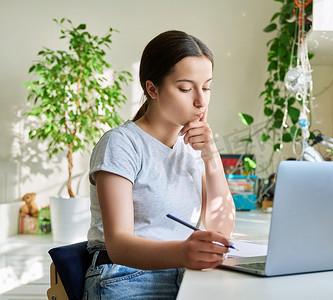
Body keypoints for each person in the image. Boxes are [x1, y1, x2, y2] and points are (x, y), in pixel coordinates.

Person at [84, 30, 236, 299]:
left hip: (185, 273)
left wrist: (211, 155)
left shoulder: (193, 148)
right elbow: (118, 245)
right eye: (186, 88)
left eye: (207, 87)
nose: (201, 100)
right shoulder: (121, 143)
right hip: (124, 275)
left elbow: (221, 230)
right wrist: (182, 252)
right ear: (152, 88)